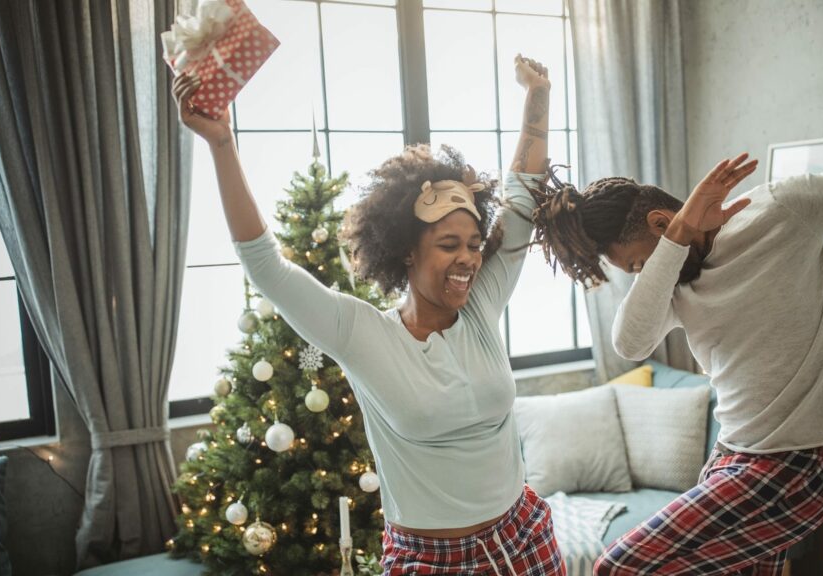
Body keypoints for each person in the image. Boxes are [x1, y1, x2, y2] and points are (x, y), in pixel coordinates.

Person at [172, 54, 564, 576]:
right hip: (430, 561)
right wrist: (222, 143)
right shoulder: (361, 333)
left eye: (473, 243)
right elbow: (266, 265)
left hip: (523, 539)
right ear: (406, 250)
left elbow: (521, 202)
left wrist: (537, 96)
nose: (469, 257)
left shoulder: (481, 307)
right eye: (449, 244)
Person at [527, 155, 823, 575]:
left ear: (660, 222)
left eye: (640, 263)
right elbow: (629, 343)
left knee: (619, 566)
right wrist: (674, 243)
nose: (648, 273)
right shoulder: (672, 279)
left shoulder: (784, 210)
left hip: (798, 464)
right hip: (730, 459)